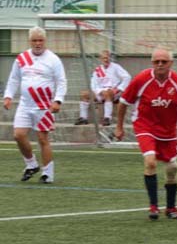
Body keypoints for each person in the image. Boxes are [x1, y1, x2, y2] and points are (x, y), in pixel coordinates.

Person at [114, 47, 177, 220]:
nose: (160, 65)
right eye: (156, 62)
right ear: (152, 63)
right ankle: (153, 206)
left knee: (172, 168)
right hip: (145, 126)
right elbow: (123, 103)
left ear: (171, 63)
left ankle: (171, 208)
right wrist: (119, 127)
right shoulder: (142, 79)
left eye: (164, 62)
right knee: (150, 161)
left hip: (168, 130)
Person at [3, 26, 67, 184]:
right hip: (25, 104)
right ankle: (31, 164)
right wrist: (8, 96)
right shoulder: (22, 58)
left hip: (44, 106)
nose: (38, 43)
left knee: (42, 139)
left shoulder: (53, 59)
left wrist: (58, 100)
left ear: (45, 41)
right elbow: (14, 79)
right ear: (29, 41)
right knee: (18, 135)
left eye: (40, 40)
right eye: (34, 40)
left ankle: (48, 174)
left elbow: (61, 81)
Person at [74, 50, 131, 126]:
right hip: (100, 92)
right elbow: (93, 83)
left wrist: (119, 89)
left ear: (110, 58)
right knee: (84, 94)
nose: (105, 60)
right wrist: (98, 91)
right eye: (103, 58)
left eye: (107, 58)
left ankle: (107, 118)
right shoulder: (98, 69)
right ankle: (83, 117)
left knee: (107, 93)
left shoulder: (116, 67)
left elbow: (127, 77)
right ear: (100, 59)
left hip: (113, 93)